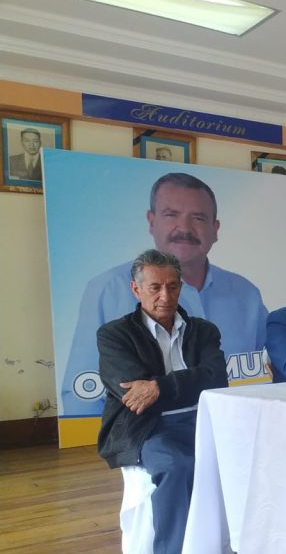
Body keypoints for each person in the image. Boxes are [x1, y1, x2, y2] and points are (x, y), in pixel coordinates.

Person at [62, 173, 268, 417]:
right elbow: (82, 390)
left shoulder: (246, 293)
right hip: (149, 427)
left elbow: (263, 371)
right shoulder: (107, 288)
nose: (184, 228)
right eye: (171, 215)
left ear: (215, 229)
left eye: (199, 217)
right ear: (151, 221)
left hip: (233, 421)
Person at [96, 249, 228, 554]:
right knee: (178, 466)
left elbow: (216, 378)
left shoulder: (203, 330)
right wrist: (178, 385)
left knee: (253, 456)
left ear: (182, 286)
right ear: (136, 289)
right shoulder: (114, 334)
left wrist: (159, 386)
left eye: (172, 286)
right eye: (154, 287)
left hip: (205, 419)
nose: (165, 297)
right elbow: (132, 392)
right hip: (148, 426)